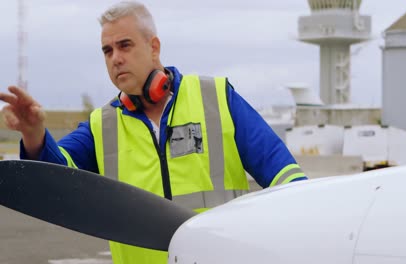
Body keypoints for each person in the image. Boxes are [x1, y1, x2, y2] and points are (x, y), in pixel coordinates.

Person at [0, 1, 307, 263]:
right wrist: (34, 133)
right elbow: (57, 181)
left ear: (154, 47)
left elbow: (285, 176)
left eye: (125, 45)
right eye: (107, 51)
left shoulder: (216, 98)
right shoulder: (101, 124)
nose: (115, 58)